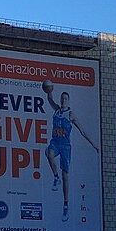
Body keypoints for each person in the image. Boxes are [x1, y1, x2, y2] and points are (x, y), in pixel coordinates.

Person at [42, 80, 100, 222]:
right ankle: (55, 177)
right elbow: (49, 98)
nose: (63, 100)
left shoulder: (71, 114)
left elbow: (82, 131)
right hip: (55, 142)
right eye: (62, 98)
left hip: (65, 145)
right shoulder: (56, 109)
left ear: (68, 101)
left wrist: (94, 145)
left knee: (66, 175)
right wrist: (48, 89)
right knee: (48, 153)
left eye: (65, 98)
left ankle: (66, 204)